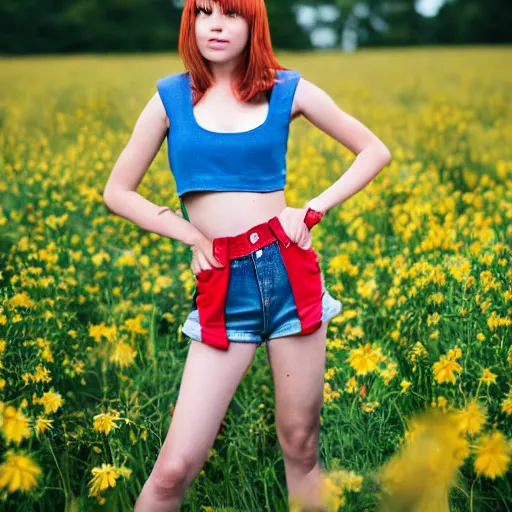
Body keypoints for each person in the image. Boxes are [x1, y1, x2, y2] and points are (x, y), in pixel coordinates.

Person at [103, 1, 392, 510]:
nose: (216, 24)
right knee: (173, 471)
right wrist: (191, 237)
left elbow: (373, 150)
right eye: (204, 11)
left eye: (231, 13)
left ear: (252, 22)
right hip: (223, 285)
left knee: (301, 448)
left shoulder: (286, 89)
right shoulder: (170, 97)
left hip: (289, 277)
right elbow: (118, 192)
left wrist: (310, 210)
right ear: (190, 21)